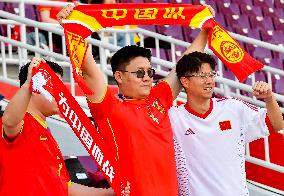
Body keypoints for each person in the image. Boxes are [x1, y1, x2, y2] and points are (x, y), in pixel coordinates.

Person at [56, 3, 215, 195]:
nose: (147, 77)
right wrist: (73, 26)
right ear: (120, 76)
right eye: (140, 73)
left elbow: (186, 63)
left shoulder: (159, 99)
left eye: (149, 72)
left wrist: (205, 29)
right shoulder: (108, 107)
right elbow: (88, 70)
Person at [0, 57, 130, 195]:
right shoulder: (21, 122)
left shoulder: (46, 132)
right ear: (35, 87)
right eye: (54, 86)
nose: (60, 94)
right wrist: (28, 84)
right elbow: (9, 121)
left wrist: (111, 193)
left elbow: (65, 187)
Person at [169, 51, 284, 196]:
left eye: (211, 75)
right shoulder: (173, 118)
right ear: (185, 81)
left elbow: (277, 125)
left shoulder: (233, 107)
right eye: (202, 76)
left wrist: (269, 98)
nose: (209, 81)